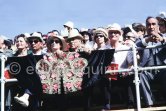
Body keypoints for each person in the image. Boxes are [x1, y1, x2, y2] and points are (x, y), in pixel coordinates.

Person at [136, 16, 166, 107]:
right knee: (140, 75)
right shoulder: (142, 39)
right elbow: (136, 45)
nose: (151, 27)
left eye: (153, 24)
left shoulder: (164, 37)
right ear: (146, 27)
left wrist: (162, 40)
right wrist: (148, 39)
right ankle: (149, 105)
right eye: (148, 24)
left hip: (162, 70)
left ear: (158, 26)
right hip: (148, 71)